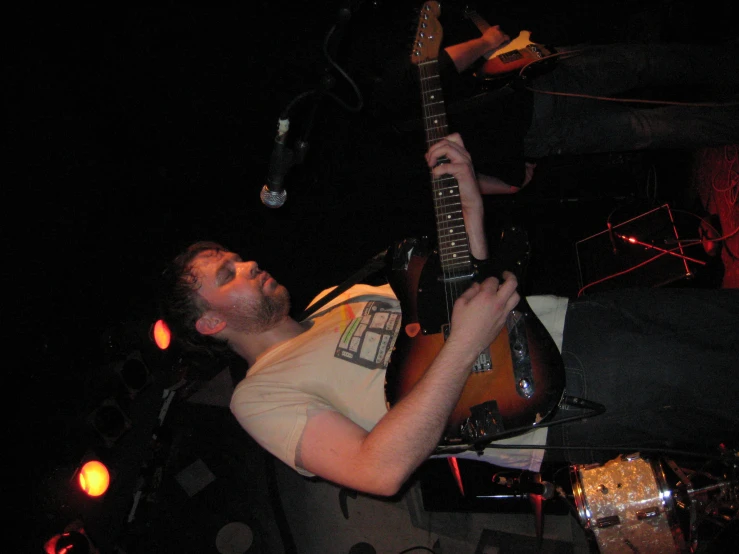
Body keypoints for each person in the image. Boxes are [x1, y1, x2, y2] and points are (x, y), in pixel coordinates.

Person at [160, 133, 739, 497]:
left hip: (570, 320)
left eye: (237, 258)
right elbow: (376, 471)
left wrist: (466, 200)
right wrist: (464, 346)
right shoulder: (258, 397)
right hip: (557, 395)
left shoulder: (337, 300)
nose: (249, 264)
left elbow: (469, 293)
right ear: (210, 324)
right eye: (226, 275)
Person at [371, 15, 739, 194]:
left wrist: (510, 184)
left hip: (532, 139)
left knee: (649, 127)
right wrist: (486, 42)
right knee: (641, 65)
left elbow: (453, 187)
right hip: (529, 84)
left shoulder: (381, 172)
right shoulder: (373, 107)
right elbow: (439, 68)